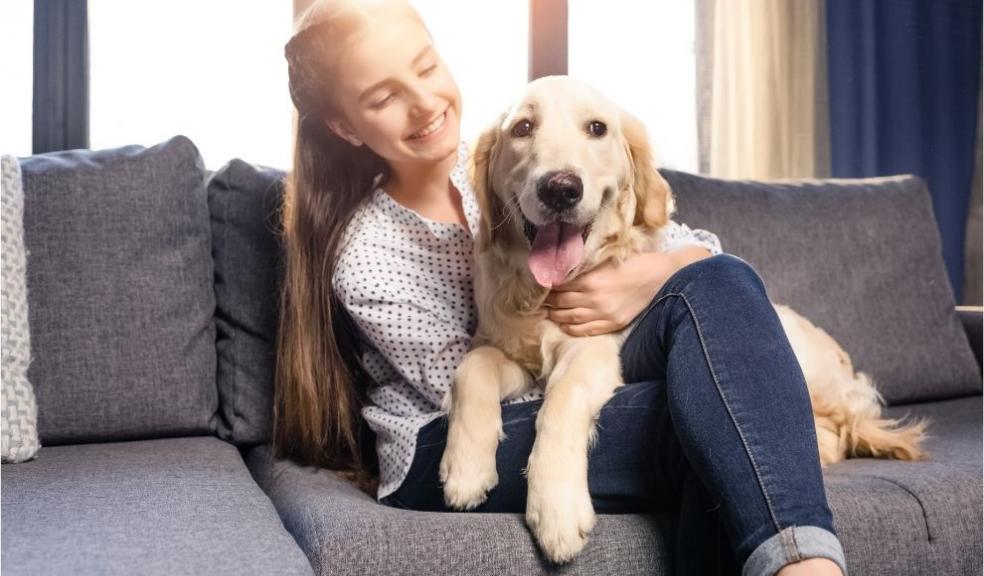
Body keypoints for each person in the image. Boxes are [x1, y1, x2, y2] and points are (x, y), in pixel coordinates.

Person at [273, 1, 849, 574]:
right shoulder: (371, 252)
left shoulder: (519, 155)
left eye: (425, 68)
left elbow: (712, 271)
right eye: (383, 97)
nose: (423, 103)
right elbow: (472, 389)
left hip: (583, 375)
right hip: (445, 441)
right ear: (346, 125)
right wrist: (581, 377)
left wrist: (641, 278)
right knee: (710, 412)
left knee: (721, 283)